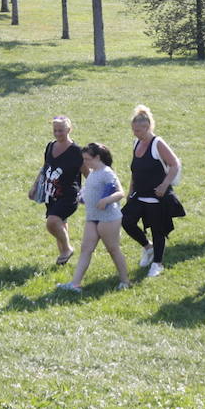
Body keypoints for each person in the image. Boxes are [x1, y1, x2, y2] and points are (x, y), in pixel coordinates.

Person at [56, 143, 130, 293]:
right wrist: (83, 197)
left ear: (97, 157)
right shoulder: (94, 172)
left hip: (108, 218)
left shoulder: (106, 172)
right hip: (92, 217)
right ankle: (75, 284)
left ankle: (125, 281)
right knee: (85, 249)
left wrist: (106, 200)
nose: (85, 163)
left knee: (113, 249)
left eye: (87, 159)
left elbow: (120, 193)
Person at [122, 104, 184, 279]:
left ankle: (157, 263)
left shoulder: (157, 143)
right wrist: (130, 190)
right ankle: (148, 248)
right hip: (139, 194)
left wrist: (164, 185)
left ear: (147, 127)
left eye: (138, 130)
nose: (135, 133)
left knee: (158, 230)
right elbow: (136, 170)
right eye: (133, 130)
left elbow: (174, 164)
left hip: (157, 196)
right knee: (126, 220)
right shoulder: (136, 143)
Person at [34, 115, 83, 265]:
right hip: (51, 194)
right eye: (55, 130)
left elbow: (88, 173)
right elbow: (45, 168)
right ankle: (63, 257)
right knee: (61, 223)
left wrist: (91, 193)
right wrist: (35, 186)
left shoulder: (77, 151)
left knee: (52, 222)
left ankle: (67, 248)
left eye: (61, 130)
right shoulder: (50, 146)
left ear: (69, 129)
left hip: (69, 195)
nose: (57, 133)